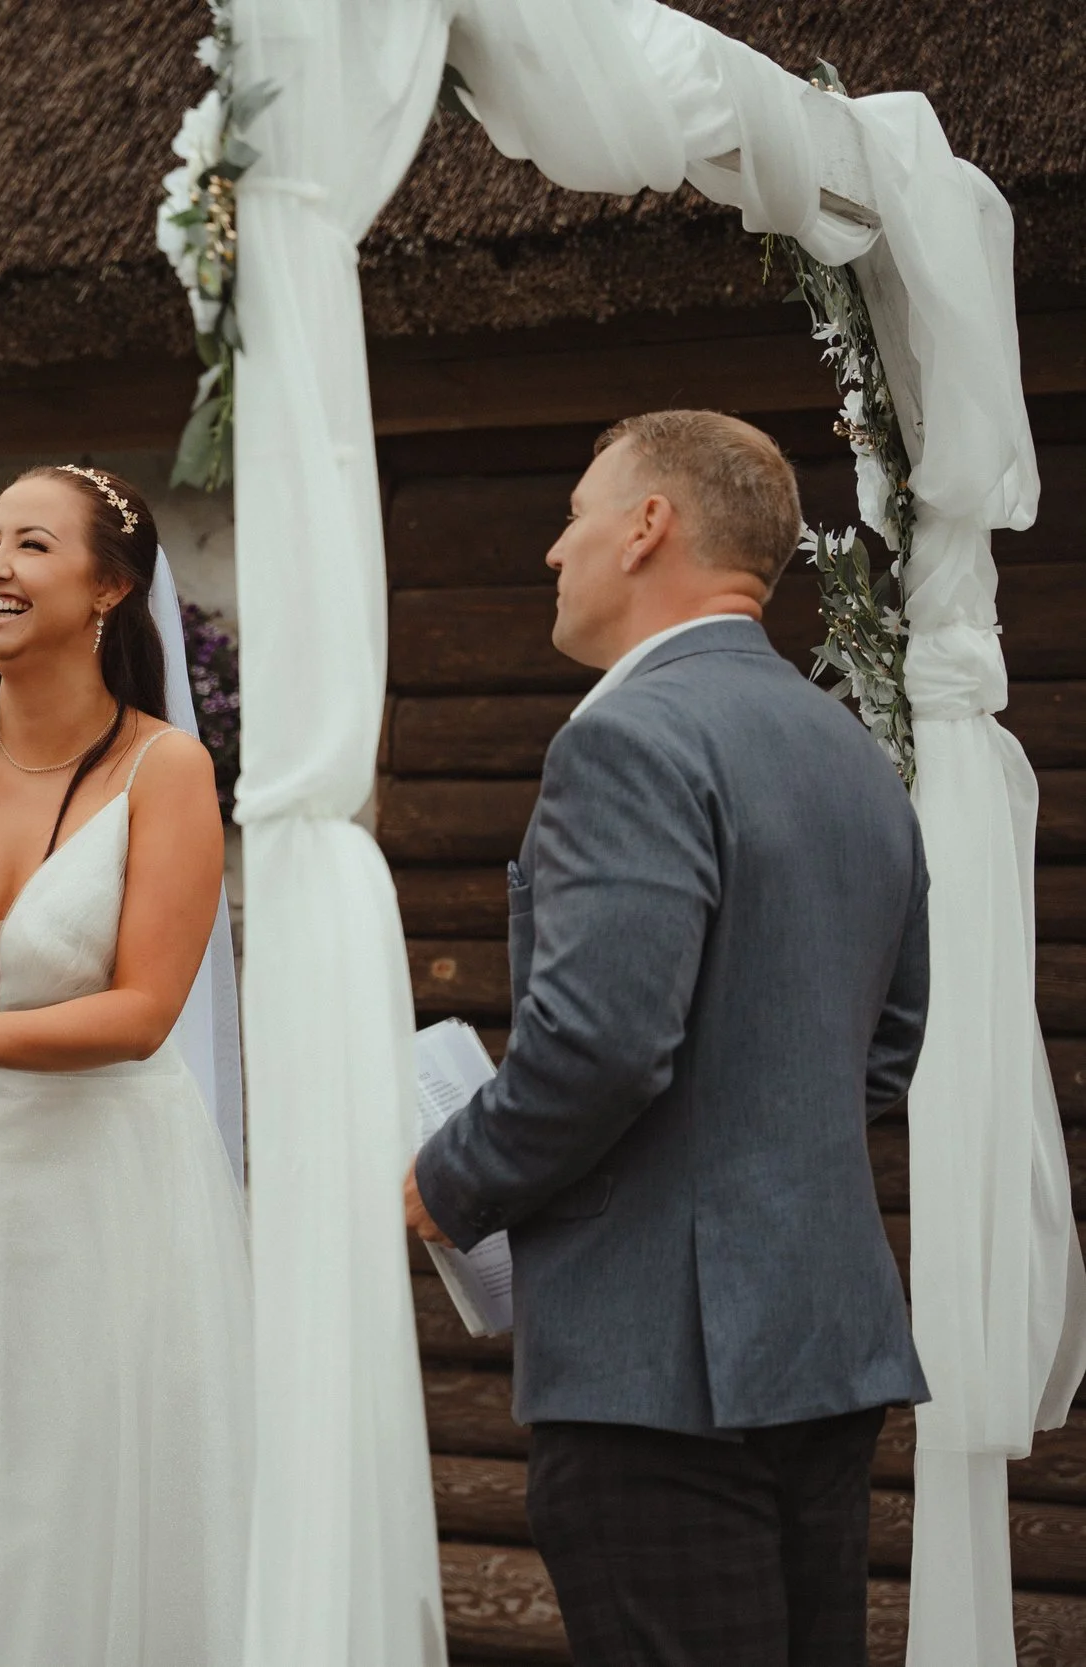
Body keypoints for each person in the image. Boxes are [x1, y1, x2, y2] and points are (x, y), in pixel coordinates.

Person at [406, 410, 929, 1667]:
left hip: (655, 1369)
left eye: (576, 511)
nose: (553, 549)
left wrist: (445, 1180)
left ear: (648, 526)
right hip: (820, 1342)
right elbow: (885, 1049)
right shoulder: (855, 754)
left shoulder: (625, 736)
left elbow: (599, 1043)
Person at [0, 467, 257, 1666]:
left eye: (30, 543)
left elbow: (142, 1008)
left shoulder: (164, 771)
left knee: (78, 1497)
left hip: (103, 1191)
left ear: (109, 588)